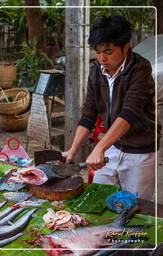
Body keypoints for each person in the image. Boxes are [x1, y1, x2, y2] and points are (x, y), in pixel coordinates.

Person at [62, 14, 161, 200]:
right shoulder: (96, 72)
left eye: (108, 52)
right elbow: (89, 113)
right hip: (112, 146)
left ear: (126, 47)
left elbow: (129, 114)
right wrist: (72, 150)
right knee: (97, 199)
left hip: (140, 152)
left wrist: (99, 148)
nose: (102, 58)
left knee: (134, 208)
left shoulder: (140, 69)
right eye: (98, 52)